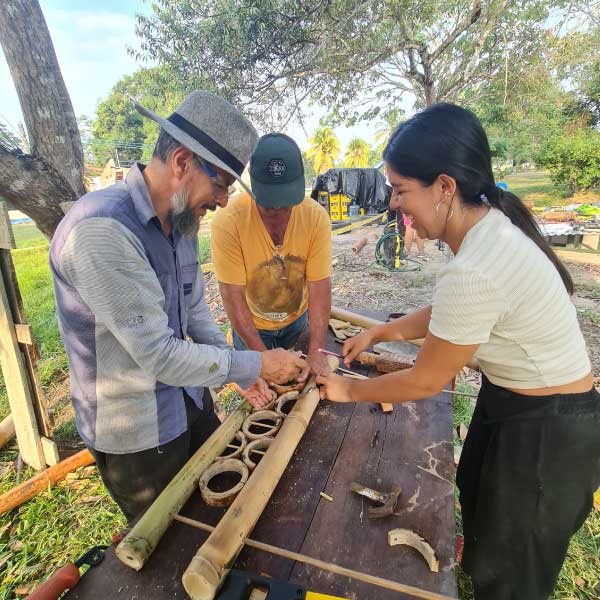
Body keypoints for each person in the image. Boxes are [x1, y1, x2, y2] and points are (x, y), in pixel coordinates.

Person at [317, 103, 599, 600]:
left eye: (402, 191)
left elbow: (425, 381)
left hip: (546, 436)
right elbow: (447, 314)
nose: (396, 206)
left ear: (445, 187)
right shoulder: (487, 235)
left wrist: (347, 389)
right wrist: (379, 335)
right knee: (485, 527)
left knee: (513, 578)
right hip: (520, 407)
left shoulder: (476, 265)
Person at [50, 92, 305, 521]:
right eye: (221, 183)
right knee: (168, 543)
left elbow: (195, 312)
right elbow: (158, 354)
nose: (224, 200)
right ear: (183, 162)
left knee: (216, 512)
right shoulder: (101, 231)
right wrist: (254, 366)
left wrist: (238, 370)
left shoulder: (183, 220)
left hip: (188, 399)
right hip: (137, 432)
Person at [211, 133, 332, 377]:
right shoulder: (228, 222)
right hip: (251, 326)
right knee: (262, 396)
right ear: (253, 187)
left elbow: (320, 286)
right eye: (268, 204)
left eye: (286, 202)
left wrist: (317, 348)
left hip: (297, 323)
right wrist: (263, 359)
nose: (277, 210)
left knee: (300, 383)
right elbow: (232, 296)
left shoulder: (316, 218)